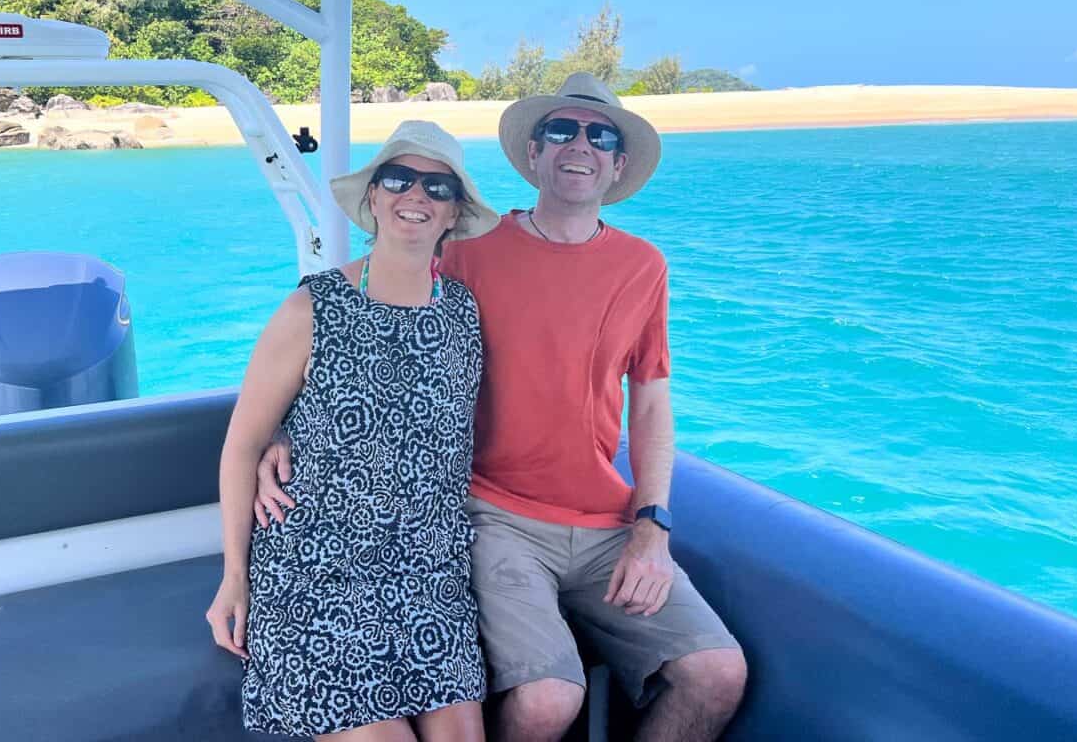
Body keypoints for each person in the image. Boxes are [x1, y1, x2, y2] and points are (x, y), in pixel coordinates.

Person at [257, 75, 747, 742]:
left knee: (718, 672)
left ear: (618, 163)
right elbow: (365, 330)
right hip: (495, 514)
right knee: (547, 702)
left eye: (599, 136)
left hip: (607, 522)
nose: (581, 146)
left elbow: (652, 401)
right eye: (561, 131)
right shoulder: (465, 251)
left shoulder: (643, 266)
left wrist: (651, 525)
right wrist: (283, 428)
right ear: (534, 154)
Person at [207, 120, 501, 741]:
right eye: (398, 179)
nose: (415, 196)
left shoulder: (463, 314)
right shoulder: (312, 307)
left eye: (437, 186)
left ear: (454, 214)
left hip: (429, 577)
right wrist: (234, 577)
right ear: (373, 198)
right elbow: (242, 446)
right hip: (319, 575)